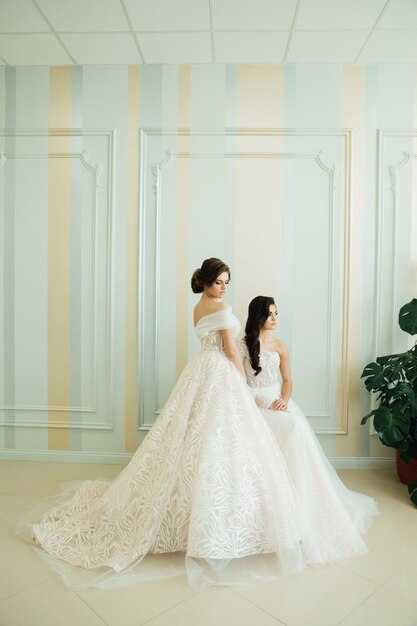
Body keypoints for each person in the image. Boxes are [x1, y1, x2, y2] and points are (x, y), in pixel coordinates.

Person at [18, 259, 308, 591]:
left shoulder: (198, 307)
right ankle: (212, 523)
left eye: (228, 282)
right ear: (208, 282)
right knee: (218, 441)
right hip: (221, 374)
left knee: (196, 439)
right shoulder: (222, 307)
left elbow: (212, 342)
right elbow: (230, 350)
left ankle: (191, 512)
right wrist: (242, 387)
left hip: (200, 370)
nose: (225, 287)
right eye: (219, 282)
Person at [239, 295, 379, 565]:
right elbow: (238, 380)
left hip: (277, 403)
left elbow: (288, 380)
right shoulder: (243, 345)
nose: (275, 319)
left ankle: (298, 504)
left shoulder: (280, 345)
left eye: (277, 313)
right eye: (270, 314)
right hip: (253, 403)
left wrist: (284, 400)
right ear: (258, 316)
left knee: (294, 428)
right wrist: (258, 400)